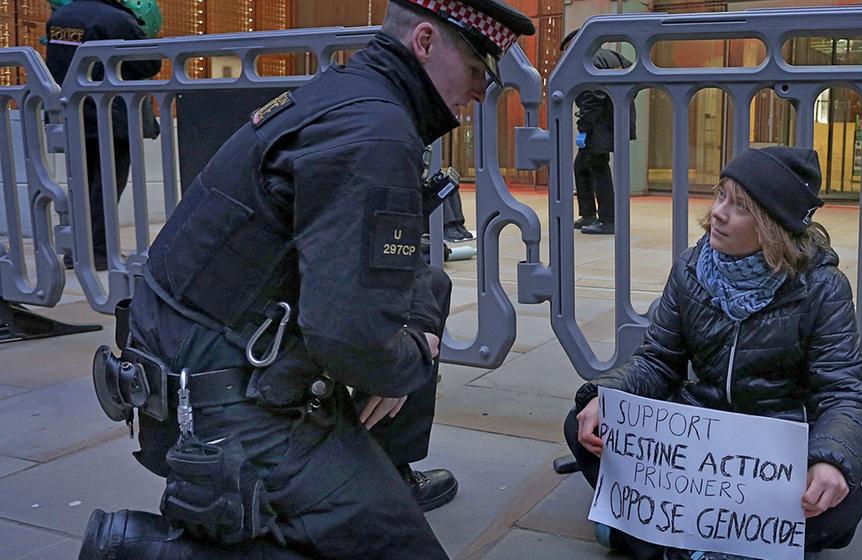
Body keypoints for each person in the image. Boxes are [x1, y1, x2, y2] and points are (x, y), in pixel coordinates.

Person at [79, 0, 533, 558]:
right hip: (226, 405)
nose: (482, 91)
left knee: (426, 296)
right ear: (423, 42)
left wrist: (399, 348)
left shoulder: (348, 98)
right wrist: (406, 359)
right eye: (476, 70)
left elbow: (394, 271)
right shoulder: (374, 134)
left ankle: (373, 478)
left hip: (190, 364)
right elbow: (347, 336)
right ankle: (144, 549)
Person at [563, 147, 862, 559]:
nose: (718, 213)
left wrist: (831, 462)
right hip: (695, 447)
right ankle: (710, 540)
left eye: (740, 206)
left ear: (773, 225)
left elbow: (845, 395)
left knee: (843, 507)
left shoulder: (822, 288)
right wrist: (608, 397)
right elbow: (658, 361)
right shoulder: (691, 269)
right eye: (720, 195)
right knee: (585, 423)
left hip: (771, 455)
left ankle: (652, 535)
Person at [45, 0, 162, 271]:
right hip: (111, 114)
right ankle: (98, 252)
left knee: (81, 185)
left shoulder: (60, 18)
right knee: (107, 186)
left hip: (72, 112)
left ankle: (77, 252)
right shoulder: (116, 19)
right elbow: (149, 64)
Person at [562, 28, 636, 235]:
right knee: (582, 166)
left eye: (567, 49)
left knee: (598, 168)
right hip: (616, 120)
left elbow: (592, 98)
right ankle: (588, 214)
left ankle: (608, 220)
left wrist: (583, 128)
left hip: (600, 125)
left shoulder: (589, 60)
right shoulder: (612, 56)